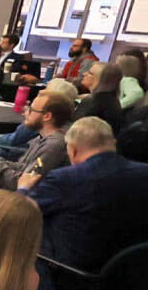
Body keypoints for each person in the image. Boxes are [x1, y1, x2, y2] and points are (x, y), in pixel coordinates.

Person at [18, 116, 148, 275]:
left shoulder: (65, 179)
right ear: (113, 144)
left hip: (64, 272)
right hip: (129, 276)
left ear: (72, 150)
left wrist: (23, 189)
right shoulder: (144, 172)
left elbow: (22, 213)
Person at [0, 91, 73, 190]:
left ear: (47, 116)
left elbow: (19, 184)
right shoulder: (42, 138)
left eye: (31, 110)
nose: (25, 113)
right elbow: (21, 168)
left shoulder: (53, 145)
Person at [75, 62, 124, 134]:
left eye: (90, 73)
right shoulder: (112, 100)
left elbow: (74, 130)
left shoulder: (92, 102)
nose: (84, 74)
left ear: (101, 80)